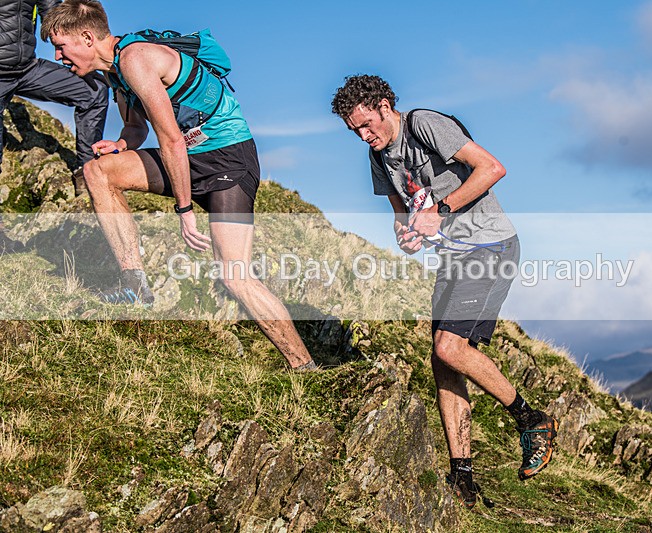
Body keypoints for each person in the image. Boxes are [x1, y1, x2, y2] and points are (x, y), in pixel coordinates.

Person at [40, 0, 316, 371]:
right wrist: (120, 146)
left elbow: (170, 140)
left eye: (61, 46)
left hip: (228, 159)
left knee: (235, 275)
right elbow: (137, 129)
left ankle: (303, 366)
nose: (58, 56)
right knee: (98, 171)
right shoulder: (115, 74)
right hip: (188, 157)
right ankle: (134, 282)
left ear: (87, 37)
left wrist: (184, 210)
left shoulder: (134, 59)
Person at [332, 75, 558, 508]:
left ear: (384, 105)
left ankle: (532, 420)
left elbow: (492, 168)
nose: (364, 136)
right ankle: (463, 477)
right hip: (453, 256)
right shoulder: (378, 157)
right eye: (354, 131)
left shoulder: (424, 124)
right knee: (442, 360)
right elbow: (401, 216)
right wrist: (407, 236)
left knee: (450, 348)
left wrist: (442, 210)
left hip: (490, 244)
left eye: (367, 124)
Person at [0, 0, 108, 193]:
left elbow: (53, 14)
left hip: (27, 69)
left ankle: (87, 172)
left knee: (94, 90)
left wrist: (79, 58)